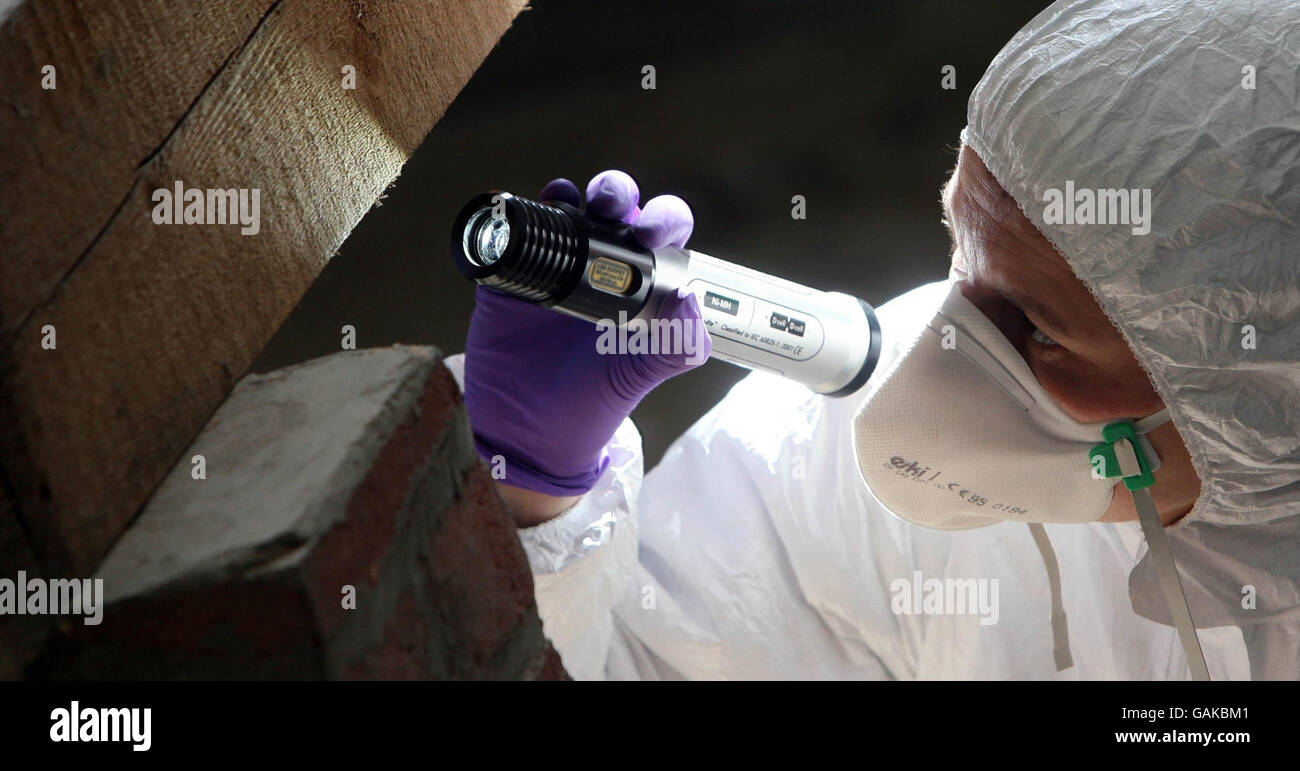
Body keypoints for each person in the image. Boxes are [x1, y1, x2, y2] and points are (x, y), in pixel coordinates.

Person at [447, 0, 1299, 679]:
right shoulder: (823, 465)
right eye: (963, 250)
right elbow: (641, 658)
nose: (942, 349)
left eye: (1036, 329)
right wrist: (530, 501)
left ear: (1253, 399)